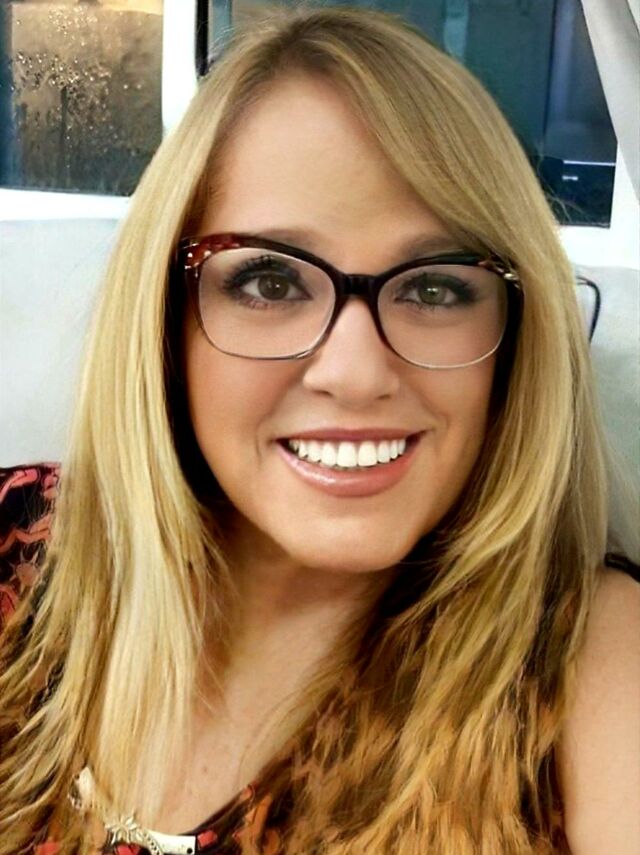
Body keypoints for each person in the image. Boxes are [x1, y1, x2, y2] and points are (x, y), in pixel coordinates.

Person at [1, 6, 638, 855]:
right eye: (271, 281)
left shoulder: (583, 659)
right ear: (164, 318)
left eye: (436, 288)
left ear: (517, 341)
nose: (357, 371)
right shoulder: (19, 546)